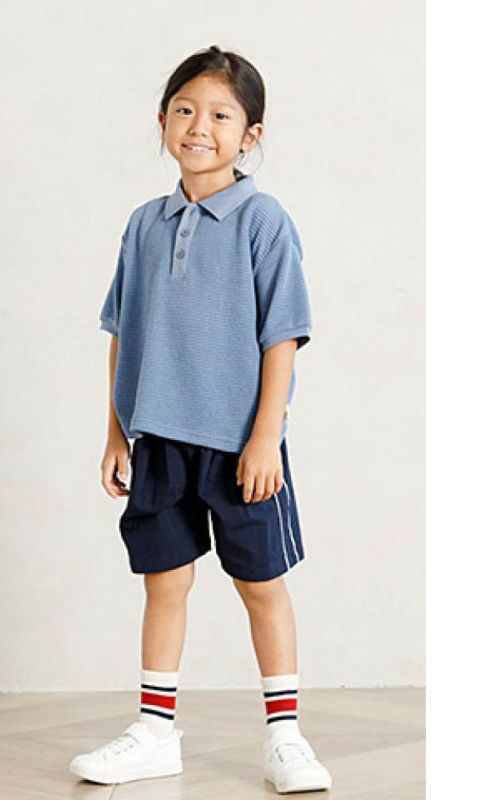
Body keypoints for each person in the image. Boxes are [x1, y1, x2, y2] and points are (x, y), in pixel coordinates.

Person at [69, 44, 332, 794]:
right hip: (158, 438)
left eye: (221, 115)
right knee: (164, 582)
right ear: (162, 121)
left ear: (251, 135)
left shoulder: (262, 220)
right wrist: (117, 432)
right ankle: (155, 732)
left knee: (262, 584)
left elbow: (282, 336)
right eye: (185, 110)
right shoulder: (144, 225)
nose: (199, 127)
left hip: (240, 446)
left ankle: (286, 737)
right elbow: (123, 332)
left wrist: (264, 437)